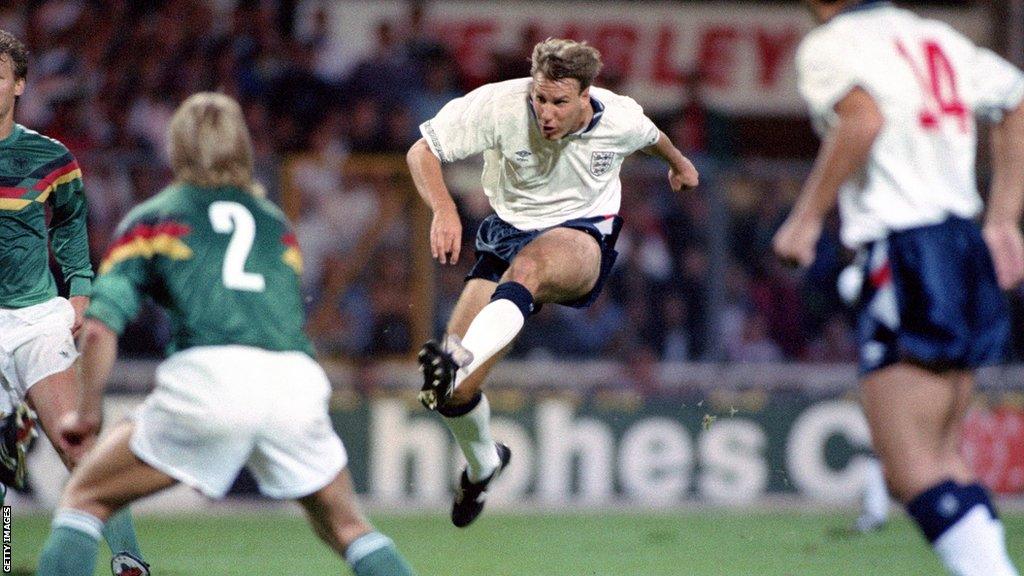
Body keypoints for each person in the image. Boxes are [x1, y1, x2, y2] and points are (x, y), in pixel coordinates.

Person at [35, 92, 416, 576]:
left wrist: (86, 412)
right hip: (293, 381)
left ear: (178, 148)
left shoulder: (155, 218)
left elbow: (100, 328)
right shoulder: (277, 225)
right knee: (348, 528)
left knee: (85, 498)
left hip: (210, 378)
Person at [773, 1, 1024, 574]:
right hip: (961, 245)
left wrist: (807, 217)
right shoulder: (936, 35)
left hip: (907, 251)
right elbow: (1015, 98)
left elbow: (861, 120)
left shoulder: (832, 45)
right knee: (941, 457)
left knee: (910, 467)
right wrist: (1004, 217)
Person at [407, 38, 699, 527]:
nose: (545, 111)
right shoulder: (499, 105)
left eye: (559, 102)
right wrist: (443, 209)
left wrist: (680, 164)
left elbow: (653, 138)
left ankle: (460, 355)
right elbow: (422, 152)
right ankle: (483, 467)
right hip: (507, 235)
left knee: (525, 276)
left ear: (587, 95)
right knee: (448, 394)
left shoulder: (621, 117)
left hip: (582, 234)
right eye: (540, 99)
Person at [0, 29, 148, 576]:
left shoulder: (50, 157)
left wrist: (80, 295)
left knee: (76, 443)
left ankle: (130, 562)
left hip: (37, 320)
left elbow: (70, 232)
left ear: (18, 85)